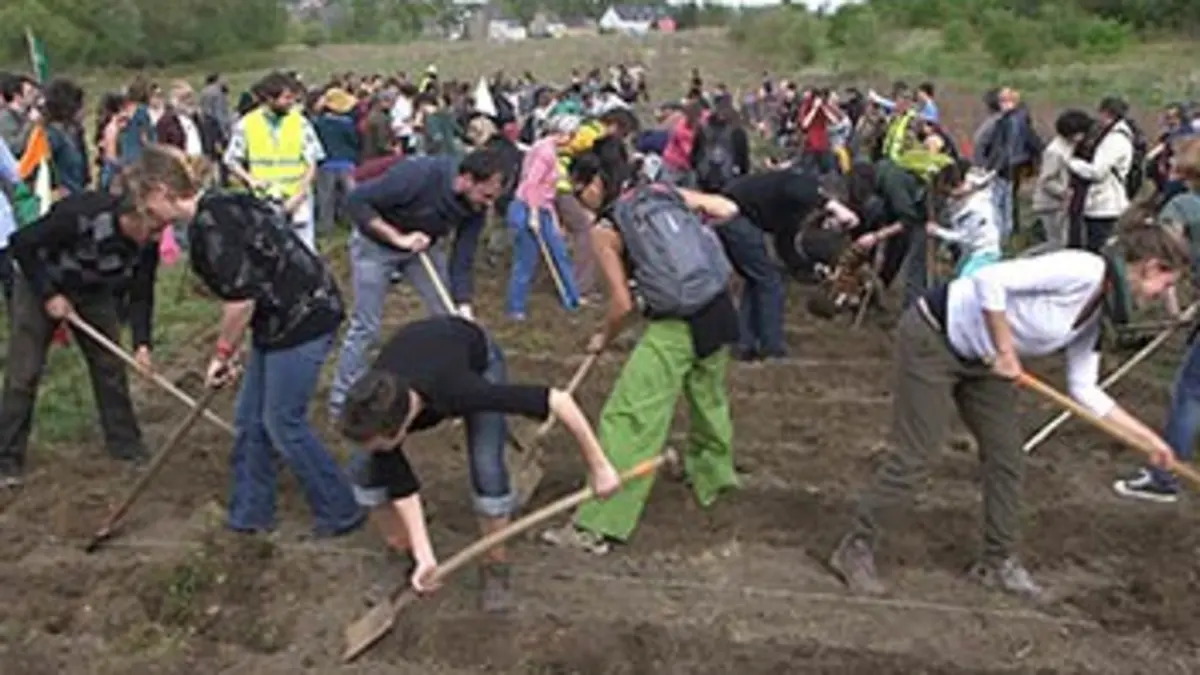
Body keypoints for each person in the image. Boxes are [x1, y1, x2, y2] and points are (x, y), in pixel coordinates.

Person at [829, 224, 1189, 600]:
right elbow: (989, 280)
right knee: (918, 453)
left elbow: (1085, 390)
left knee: (1006, 457)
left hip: (986, 362)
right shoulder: (1082, 270)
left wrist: (1147, 440)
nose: (1164, 295)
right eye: (1166, 284)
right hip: (933, 338)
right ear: (1150, 267)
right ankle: (856, 548)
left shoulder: (1100, 312)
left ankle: (997, 562)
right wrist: (1005, 350)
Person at [125, 144, 363, 537]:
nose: (147, 214)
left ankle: (340, 509)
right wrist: (234, 348)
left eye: (146, 203)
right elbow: (254, 281)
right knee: (251, 420)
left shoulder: (211, 225)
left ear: (162, 191)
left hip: (304, 317)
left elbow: (241, 300)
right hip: (275, 321)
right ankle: (251, 514)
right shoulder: (222, 202)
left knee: (282, 422)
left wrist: (222, 354)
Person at [339, 316, 620, 609]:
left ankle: (495, 567)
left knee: (487, 468)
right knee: (364, 466)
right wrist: (424, 554)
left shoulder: (462, 390)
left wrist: (600, 467)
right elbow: (401, 484)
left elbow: (558, 401)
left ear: (399, 429)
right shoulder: (370, 399)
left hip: (475, 358)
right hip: (423, 350)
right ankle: (401, 554)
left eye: (380, 442)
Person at [543, 151, 741, 556]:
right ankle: (713, 480)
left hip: (676, 325)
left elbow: (621, 305)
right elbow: (727, 208)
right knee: (709, 399)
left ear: (596, 183)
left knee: (631, 417)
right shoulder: (662, 193)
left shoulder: (606, 229)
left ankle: (598, 525)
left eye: (580, 190)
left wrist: (604, 337)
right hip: (720, 307)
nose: (581, 201)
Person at [0, 181, 165, 486]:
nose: (159, 237)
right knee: (24, 373)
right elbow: (21, 244)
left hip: (92, 290)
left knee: (110, 365)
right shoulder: (80, 215)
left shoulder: (146, 246)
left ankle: (125, 445)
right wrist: (49, 295)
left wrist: (142, 344)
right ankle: (6, 460)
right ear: (135, 216)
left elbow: (142, 294)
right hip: (39, 284)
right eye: (155, 229)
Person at [327, 148, 504, 418]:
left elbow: (462, 259)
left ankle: (453, 393)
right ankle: (341, 402)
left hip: (423, 247)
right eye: (486, 195)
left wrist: (463, 306)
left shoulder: (476, 208)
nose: (489, 204)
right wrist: (398, 239)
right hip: (374, 247)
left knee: (450, 320)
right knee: (366, 327)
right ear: (467, 180)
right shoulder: (418, 175)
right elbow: (356, 202)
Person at [1113, 143, 1200, 503]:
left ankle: (1164, 478)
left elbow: (1163, 259)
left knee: (1190, 391)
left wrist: (1174, 308)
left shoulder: (1183, 207)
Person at [720, 168, 859, 360]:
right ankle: (773, 349)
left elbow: (785, 245)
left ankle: (745, 344)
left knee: (758, 281)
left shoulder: (795, 209)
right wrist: (834, 206)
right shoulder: (803, 184)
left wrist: (809, 268)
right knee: (771, 283)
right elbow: (794, 188)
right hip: (731, 214)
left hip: (734, 217)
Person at [223, 72, 324, 252]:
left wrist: (300, 194)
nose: (291, 102)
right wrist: (250, 179)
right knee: (268, 252)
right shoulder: (247, 124)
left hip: (297, 198)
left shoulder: (300, 123)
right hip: (264, 200)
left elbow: (312, 162)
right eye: (286, 98)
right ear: (270, 98)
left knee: (304, 251)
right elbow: (231, 159)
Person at [505, 114, 581, 319]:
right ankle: (516, 308)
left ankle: (572, 298)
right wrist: (533, 215)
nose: (572, 140)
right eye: (572, 135)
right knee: (526, 259)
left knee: (560, 252)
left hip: (544, 209)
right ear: (563, 133)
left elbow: (547, 192)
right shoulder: (544, 152)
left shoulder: (551, 150)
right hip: (527, 208)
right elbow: (532, 184)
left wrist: (552, 219)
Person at [924, 160, 1002, 278]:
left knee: (964, 283)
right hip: (970, 253)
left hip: (985, 253)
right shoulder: (963, 203)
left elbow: (965, 237)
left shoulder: (977, 208)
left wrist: (937, 231)